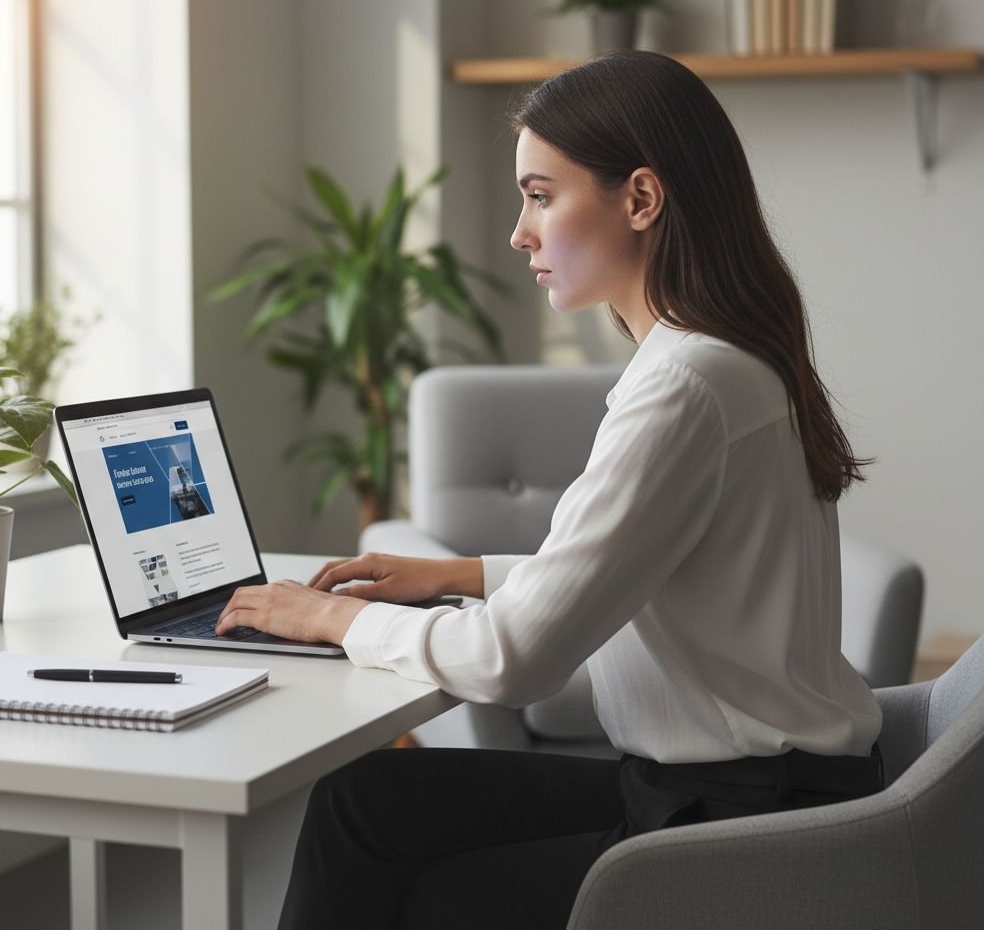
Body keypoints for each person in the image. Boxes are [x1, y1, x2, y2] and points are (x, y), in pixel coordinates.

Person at [216, 51, 885, 930]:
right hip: (748, 782)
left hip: (736, 815)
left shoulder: (684, 385)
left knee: (425, 895)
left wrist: (331, 619)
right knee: (365, 801)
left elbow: (514, 662)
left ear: (641, 200)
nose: (518, 232)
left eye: (540, 195)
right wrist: (457, 576)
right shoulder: (728, 356)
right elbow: (636, 567)